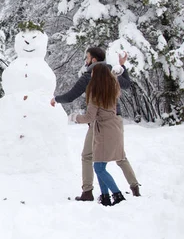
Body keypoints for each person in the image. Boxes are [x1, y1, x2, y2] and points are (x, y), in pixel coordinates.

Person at [52, 47, 140, 200]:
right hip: (116, 119)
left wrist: (55, 99)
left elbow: (71, 96)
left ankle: (88, 192)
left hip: (99, 121)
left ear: (93, 60)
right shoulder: (111, 73)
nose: (85, 61)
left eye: (87, 58)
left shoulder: (90, 76)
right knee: (120, 156)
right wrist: (122, 65)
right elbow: (127, 84)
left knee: (88, 156)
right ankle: (134, 188)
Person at [70, 64, 127, 206]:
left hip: (103, 132)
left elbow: (89, 117)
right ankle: (105, 196)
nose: (91, 76)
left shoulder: (96, 95)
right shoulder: (112, 90)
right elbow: (114, 77)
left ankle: (117, 194)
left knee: (99, 167)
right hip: (114, 128)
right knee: (100, 164)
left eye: (93, 73)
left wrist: (75, 117)